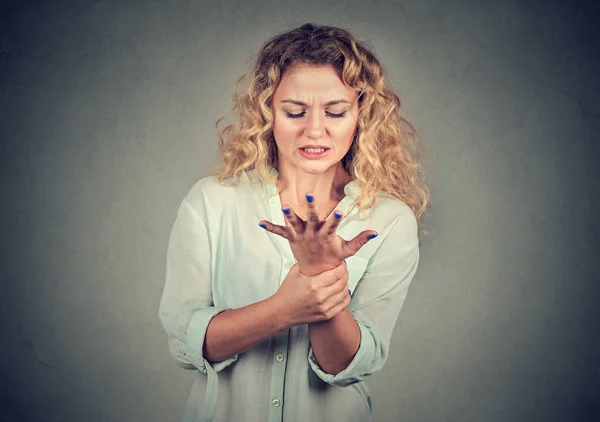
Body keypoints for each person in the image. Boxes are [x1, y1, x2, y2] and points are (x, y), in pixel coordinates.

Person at [159, 23, 429, 422]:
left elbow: (346, 367)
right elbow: (186, 341)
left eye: (336, 111)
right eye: (295, 111)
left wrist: (320, 274)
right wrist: (283, 309)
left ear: (362, 115)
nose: (314, 130)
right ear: (268, 112)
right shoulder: (213, 202)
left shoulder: (389, 221)